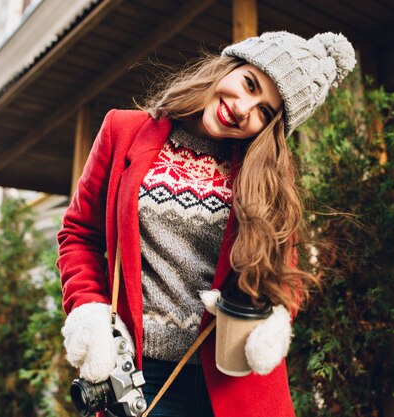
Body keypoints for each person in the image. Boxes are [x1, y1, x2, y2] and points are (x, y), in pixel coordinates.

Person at [57, 31, 355, 417]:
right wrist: (89, 311)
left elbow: (284, 273)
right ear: (229, 65)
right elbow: (79, 235)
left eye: (265, 111)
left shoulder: (267, 176)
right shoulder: (122, 131)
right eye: (249, 83)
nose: (244, 107)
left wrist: (275, 319)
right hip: (139, 378)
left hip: (234, 384)